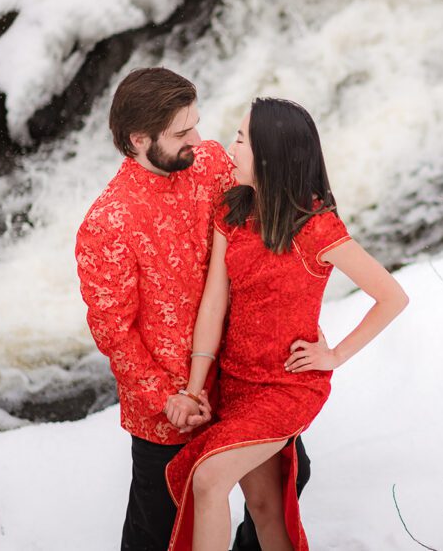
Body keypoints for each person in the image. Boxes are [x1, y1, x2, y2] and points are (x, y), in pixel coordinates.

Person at [75, 68, 310, 551]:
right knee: (157, 528)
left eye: (197, 125)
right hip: (171, 405)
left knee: (291, 476)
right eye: (183, 133)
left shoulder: (209, 164)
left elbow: (263, 231)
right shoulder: (107, 223)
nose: (199, 141)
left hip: (242, 374)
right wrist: (169, 398)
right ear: (139, 140)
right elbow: (113, 334)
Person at [163, 98, 409, 551]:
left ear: (271, 155)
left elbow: (392, 297)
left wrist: (333, 356)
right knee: (265, 509)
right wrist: (196, 388)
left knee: (209, 478)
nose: (231, 149)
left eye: (241, 140)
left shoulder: (317, 228)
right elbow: (214, 305)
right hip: (238, 383)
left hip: (288, 387)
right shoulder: (233, 211)